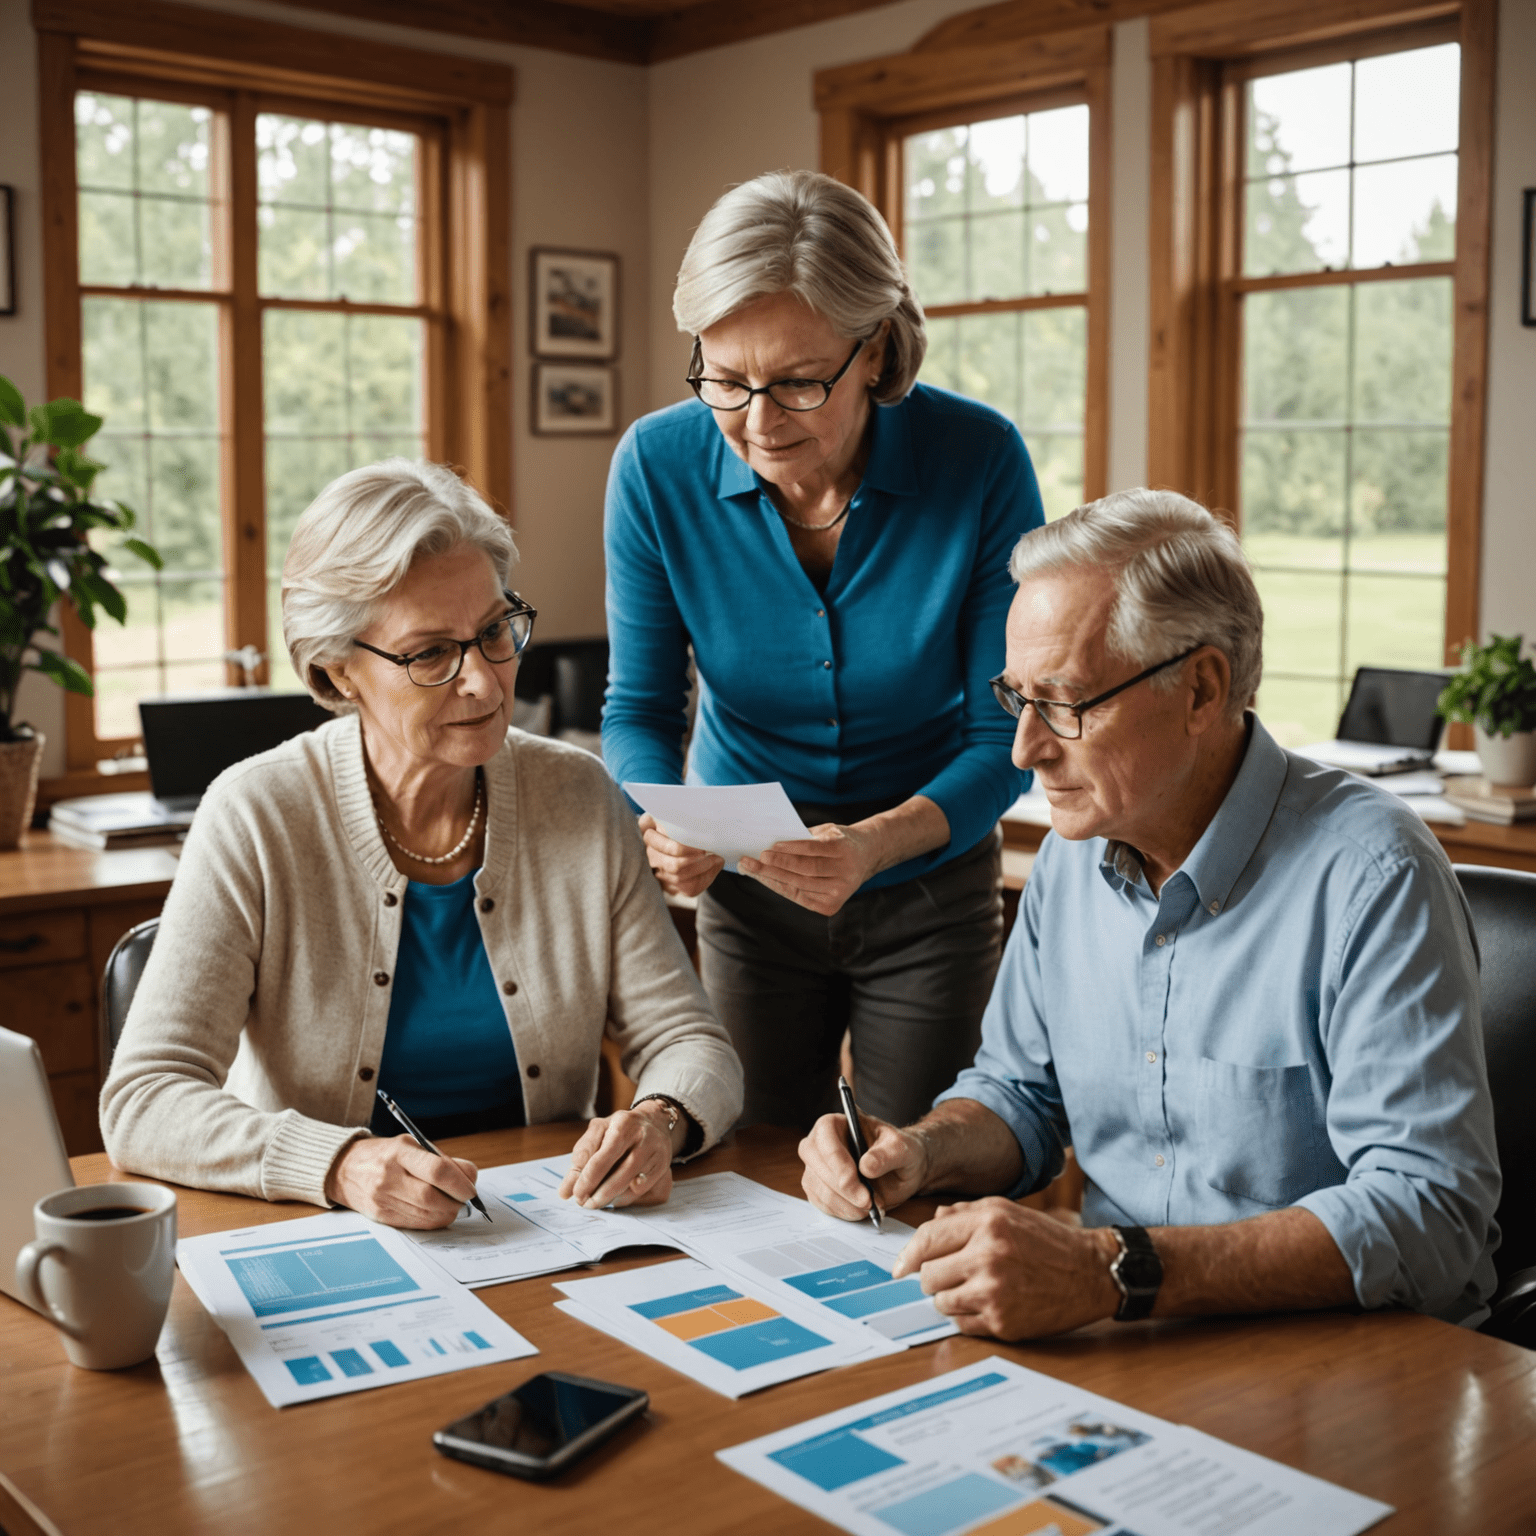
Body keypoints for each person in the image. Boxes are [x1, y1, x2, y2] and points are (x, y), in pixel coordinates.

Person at [799, 488, 1501, 1336]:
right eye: (1016, 698)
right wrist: (919, 1151)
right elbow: (1021, 1098)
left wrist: (1108, 1271)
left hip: (1353, 1354)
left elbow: (1430, 1216)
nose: (1025, 749)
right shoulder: (1069, 857)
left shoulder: (1373, 875)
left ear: (1202, 689)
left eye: (1064, 702)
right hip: (1130, 1333)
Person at [101, 460, 742, 1229]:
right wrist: (341, 1164)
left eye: (495, 632)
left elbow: (689, 1041)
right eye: (430, 654)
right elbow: (144, 1100)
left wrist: (661, 1120)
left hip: (547, 1229)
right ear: (338, 670)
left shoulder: (578, 794)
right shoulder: (256, 813)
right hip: (318, 1233)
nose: (482, 681)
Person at [603, 170, 1042, 1131]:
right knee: (746, 1163)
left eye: (800, 382)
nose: (758, 422)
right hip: (749, 891)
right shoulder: (652, 465)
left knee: (913, 1171)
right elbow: (638, 710)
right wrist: (672, 818)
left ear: (875, 347)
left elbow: (999, 731)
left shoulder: (981, 460)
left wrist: (874, 843)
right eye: (723, 379)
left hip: (928, 878)